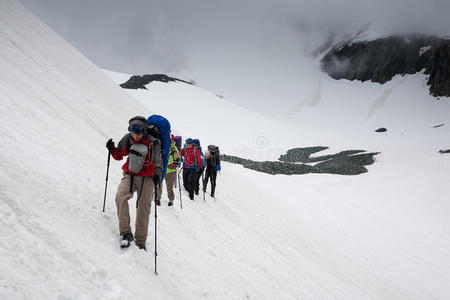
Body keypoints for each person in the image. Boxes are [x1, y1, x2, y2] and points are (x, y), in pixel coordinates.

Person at [106, 116, 162, 250]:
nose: (135, 136)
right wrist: (112, 149)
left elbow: (158, 162)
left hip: (148, 178)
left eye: (138, 134)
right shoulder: (128, 138)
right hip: (130, 174)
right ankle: (126, 233)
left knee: (143, 208)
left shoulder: (152, 142)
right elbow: (119, 155)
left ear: (143, 132)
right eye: (133, 133)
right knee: (120, 196)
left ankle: (141, 242)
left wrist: (157, 174)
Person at [156, 134, 181, 206]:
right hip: (161, 169)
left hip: (170, 171)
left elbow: (178, 160)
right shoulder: (160, 146)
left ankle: (171, 200)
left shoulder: (173, 148)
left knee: (169, 187)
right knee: (159, 185)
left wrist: (176, 161)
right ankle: (157, 199)